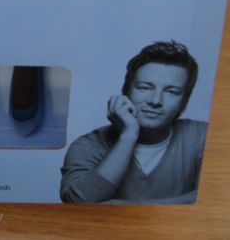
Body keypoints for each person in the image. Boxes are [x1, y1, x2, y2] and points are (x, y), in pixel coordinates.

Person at [60, 41, 207, 204]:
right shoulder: (88, 146)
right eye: (145, 88)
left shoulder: (202, 137)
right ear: (126, 91)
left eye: (171, 92)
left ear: (184, 101)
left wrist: (128, 207)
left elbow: (214, 197)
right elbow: (78, 204)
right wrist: (128, 136)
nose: (156, 101)